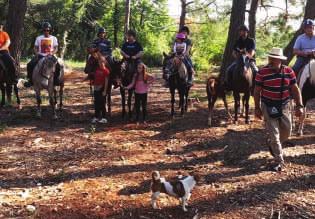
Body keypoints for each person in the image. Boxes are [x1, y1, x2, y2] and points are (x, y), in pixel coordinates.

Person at [254, 47, 304, 172]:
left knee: (287, 131)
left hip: (285, 105)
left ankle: (273, 144)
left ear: (280, 59)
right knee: (274, 134)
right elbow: (257, 91)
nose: (273, 60)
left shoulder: (288, 71)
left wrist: (300, 105)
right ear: (270, 58)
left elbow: (295, 89)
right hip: (268, 105)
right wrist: (257, 108)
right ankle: (279, 160)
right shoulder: (262, 72)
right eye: (272, 58)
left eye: (276, 58)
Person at [224, 25, 258, 89]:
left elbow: (253, 51)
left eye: (242, 31)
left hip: (248, 60)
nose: (241, 32)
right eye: (240, 31)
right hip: (239, 60)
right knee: (228, 70)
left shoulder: (251, 40)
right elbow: (233, 52)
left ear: (246, 32)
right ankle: (229, 85)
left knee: (256, 71)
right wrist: (237, 57)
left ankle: (255, 87)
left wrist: (248, 55)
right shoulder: (237, 41)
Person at [26, 22, 59, 87]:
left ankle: (56, 80)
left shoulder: (54, 38)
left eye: (47, 30)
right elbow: (35, 47)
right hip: (41, 55)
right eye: (44, 30)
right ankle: (30, 80)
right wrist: (37, 53)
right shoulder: (38, 38)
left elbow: (56, 48)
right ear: (42, 30)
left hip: (50, 56)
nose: (46, 31)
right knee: (30, 64)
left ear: (50, 30)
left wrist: (52, 53)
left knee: (58, 65)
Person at [91, 48, 110, 124]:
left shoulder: (106, 71)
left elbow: (106, 81)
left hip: (102, 88)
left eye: (102, 62)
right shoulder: (97, 69)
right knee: (96, 103)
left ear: (104, 63)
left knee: (102, 103)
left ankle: (104, 117)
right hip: (96, 88)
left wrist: (105, 90)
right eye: (99, 62)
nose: (101, 63)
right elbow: (95, 78)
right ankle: (96, 117)